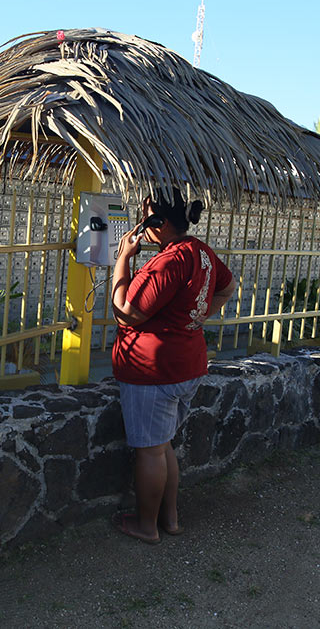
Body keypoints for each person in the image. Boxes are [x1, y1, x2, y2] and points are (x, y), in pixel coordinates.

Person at [110, 186, 236, 545]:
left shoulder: (170, 260)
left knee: (151, 450)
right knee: (163, 446)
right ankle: (171, 518)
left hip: (153, 371)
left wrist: (122, 258)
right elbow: (227, 288)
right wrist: (193, 318)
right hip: (187, 365)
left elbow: (127, 312)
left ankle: (146, 526)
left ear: (159, 222)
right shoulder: (202, 252)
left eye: (146, 217)